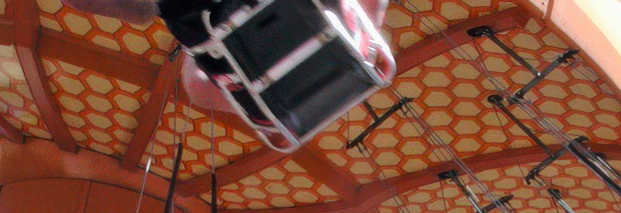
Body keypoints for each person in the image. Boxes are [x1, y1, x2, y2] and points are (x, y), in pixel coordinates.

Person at [57, 0, 391, 146]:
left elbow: (136, 10)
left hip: (268, 94)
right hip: (329, 44)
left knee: (197, 80)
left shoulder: (188, 28)